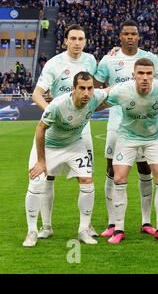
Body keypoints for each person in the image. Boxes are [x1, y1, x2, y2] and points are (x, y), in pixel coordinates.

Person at [94, 20, 158, 238]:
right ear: (120, 36)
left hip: (148, 127)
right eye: (126, 33)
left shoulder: (150, 58)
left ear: (139, 36)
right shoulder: (109, 59)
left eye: (134, 34)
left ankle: (147, 222)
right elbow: (98, 89)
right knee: (113, 173)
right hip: (118, 125)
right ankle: (113, 223)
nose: (130, 37)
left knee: (145, 171)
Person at [23, 72, 108, 247]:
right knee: (36, 182)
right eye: (82, 88)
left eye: (90, 88)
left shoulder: (95, 97)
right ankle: (32, 231)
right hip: (49, 146)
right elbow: (40, 130)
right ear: (73, 89)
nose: (86, 93)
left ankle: (83, 230)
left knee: (87, 181)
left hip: (74, 145)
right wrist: (41, 161)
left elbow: (112, 90)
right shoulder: (58, 105)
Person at [101, 58, 158, 244]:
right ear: (133, 75)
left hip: (153, 138)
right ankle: (118, 229)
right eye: (141, 74)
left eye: (148, 73)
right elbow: (99, 102)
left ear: (154, 75)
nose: (145, 77)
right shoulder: (122, 90)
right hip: (127, 138)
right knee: (119, 178)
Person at [31, 24, 98, 240]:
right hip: (56, 126)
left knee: (86, 177)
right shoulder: (54, 63)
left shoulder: (91, 60)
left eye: (81, 38)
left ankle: (86, 226)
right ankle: (47, 226)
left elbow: (95, 86)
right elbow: (37, 94)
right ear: (65, 41)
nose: (77, 42)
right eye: (73, 38)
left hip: (81, 129)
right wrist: (52, 113)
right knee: (47, 177)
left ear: (85, 41)